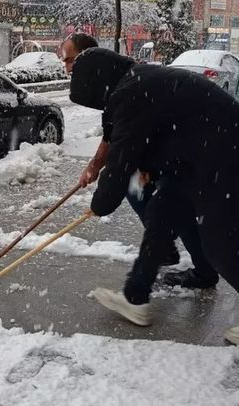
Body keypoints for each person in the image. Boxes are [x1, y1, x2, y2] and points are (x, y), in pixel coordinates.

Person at [71, 47, 239, 349]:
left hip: (231, 159)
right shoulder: (137, 82)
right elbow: (150, 136)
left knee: (220, 244)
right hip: (200, 158)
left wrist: (100, 204)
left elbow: (121, 160)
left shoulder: (131, 92)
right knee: (162, 212)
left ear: (96, 83)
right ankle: (136, 297)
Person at [63, 34, 207, 279]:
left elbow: (121, 154)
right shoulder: (112, 83)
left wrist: (102, 201)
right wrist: (94, 166)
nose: (66, 68)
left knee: (172, 204)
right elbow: (111, 134)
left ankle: (188, 265)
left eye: (70, 60)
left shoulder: (128, 85)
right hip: (163, 151)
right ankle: (167, 248)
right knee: (136, 189)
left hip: (185, 150)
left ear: (88, 59)